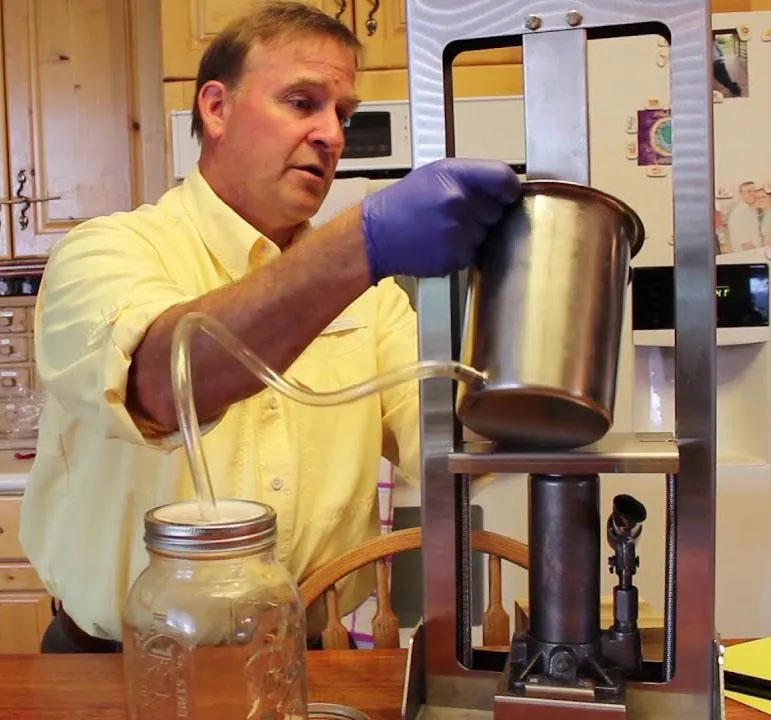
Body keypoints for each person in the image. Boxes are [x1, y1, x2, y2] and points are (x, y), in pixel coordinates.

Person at [19, 2, 521, 653]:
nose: (332, 135)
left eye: (342, 115)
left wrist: (530, 331)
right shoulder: (107, 251)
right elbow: (162, 384)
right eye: (301, 102)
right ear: (216, 108)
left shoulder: (369, 301)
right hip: (118, 668)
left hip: (308, 658)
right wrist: (361, 243)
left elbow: (444, 443)